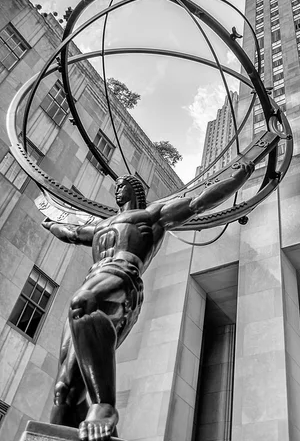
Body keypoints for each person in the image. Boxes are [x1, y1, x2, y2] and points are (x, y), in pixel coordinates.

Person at [42, 161, 254, 440]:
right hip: (93, 279)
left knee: (82, 302)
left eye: (123, 186)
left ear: (135, 190)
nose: (117, 191)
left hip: (122, 278)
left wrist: (240, 175)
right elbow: (69, 232)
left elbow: (200, 202)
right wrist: (48, 215)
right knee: (64, 390)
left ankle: (104, 405)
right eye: (116, 187)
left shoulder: (152, 215)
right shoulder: (101, 225)